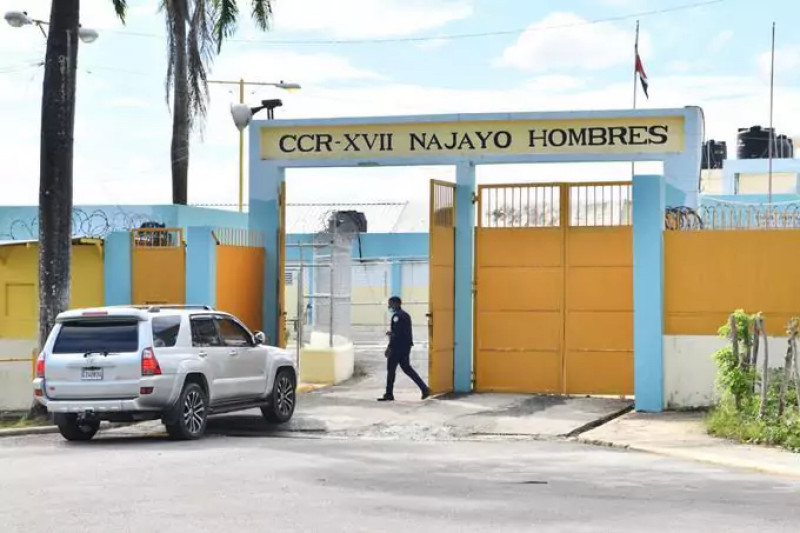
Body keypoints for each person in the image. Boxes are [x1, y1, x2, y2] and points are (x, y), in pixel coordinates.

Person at [379, 296, 431, 402]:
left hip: (397, 347)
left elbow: (397, 334)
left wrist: (389, 346)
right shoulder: (406, 315)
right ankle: (424, 388)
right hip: (406, 347)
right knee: (407, 368)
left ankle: (389, 394)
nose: (389, 306)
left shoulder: (397, 316)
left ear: (396, 304)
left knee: (391, 370)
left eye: (391, 304)